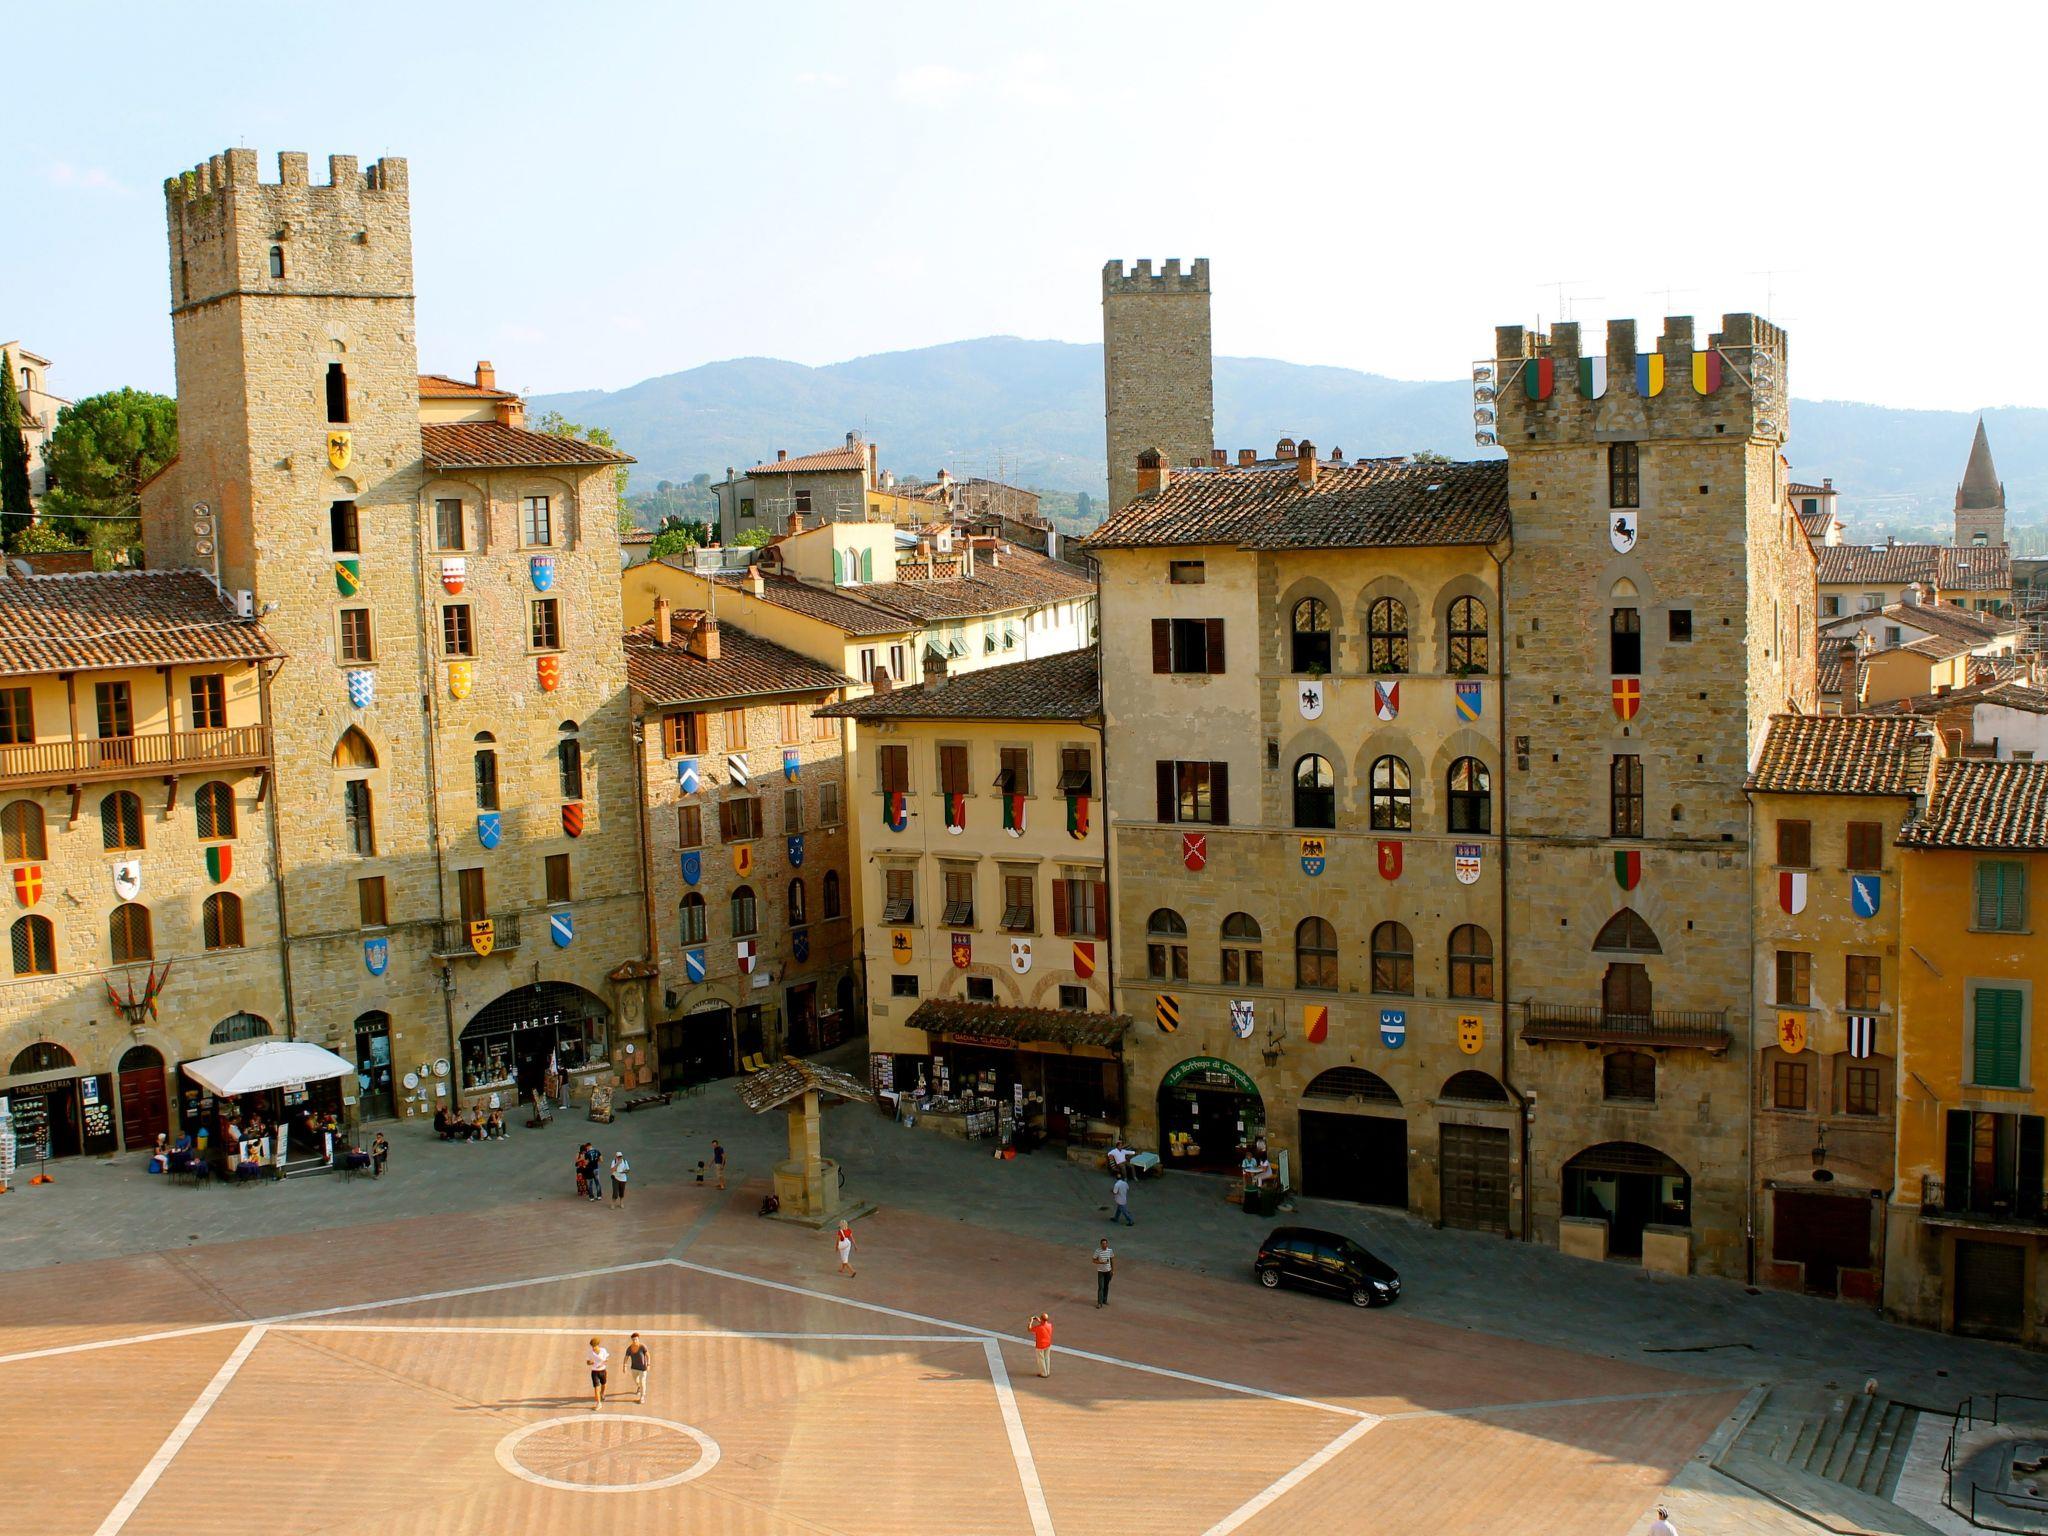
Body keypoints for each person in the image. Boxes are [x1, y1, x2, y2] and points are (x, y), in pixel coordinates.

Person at [586, 1337, 609, 1411]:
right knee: (596, 1388)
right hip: (594, 1371)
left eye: (594, 1346)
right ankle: (599, 1403)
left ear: (598, 1345)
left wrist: (601, 1364)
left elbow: (606, 1359)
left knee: (603, 1384)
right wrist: (590, 1362)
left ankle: (602, 1393)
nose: (593, 1348)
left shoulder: (603, 1350)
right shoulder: (590, 1352)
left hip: (603, 1370)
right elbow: (587, 1362)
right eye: (592, 1346)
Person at [625, 1333, 650, 1403]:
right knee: (636, 1380)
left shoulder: (643, 1347)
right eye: (633, 1340)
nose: (635, 1341)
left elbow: (648, 1355)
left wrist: (648, 1364)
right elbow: (626, 1357)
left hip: (643, 1368)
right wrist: (624, 1365)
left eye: (636, 1339)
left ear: (638, 1339)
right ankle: (639, 1387)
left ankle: (642, 1397)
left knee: (642, 1382)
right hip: (634, 1368)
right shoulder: (629, 1348)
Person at [1029, 1312, 1054, 1377]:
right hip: (1048, 1344)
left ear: (1042, 1319)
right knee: (1047, 1358)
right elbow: (1044, 1324)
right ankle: (1047, 1372)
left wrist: (1031, 1321)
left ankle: (1043, 1373)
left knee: (1041, 1359)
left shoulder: (1038, 1328)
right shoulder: (1050, 1325)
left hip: (1040, 1345)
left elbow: (1029, 1329)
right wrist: (1039, 1320)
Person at [1092, 1239, 1115, 1308]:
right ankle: (1099, 1303)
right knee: (1101, 1287)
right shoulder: (1098, 1251)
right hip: (1101, 1272)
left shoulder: (1110, 1251)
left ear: (1107, 1244)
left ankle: (1104, 1300)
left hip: (1108, 1271)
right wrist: (1101, 1262)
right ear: (1101, 1244)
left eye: (1105, 1244)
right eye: (1103, 1244)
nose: (1104, 1245)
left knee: (1106, 1286)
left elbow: (1112, 1260)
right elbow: (1094, 1260)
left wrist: (1113, 1270)